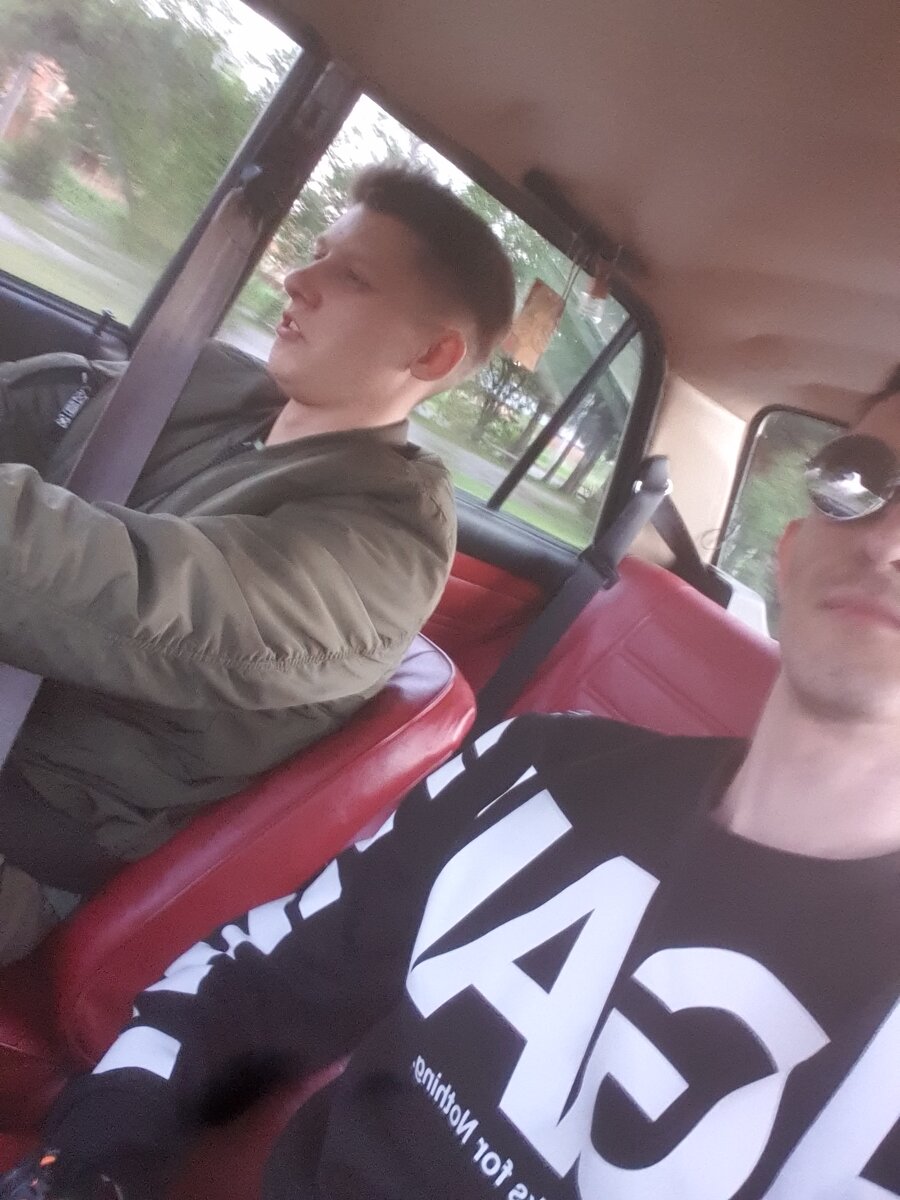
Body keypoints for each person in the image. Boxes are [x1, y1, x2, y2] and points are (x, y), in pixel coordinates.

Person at [5, 373, 900, 1200]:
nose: (890, 540)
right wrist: (87, 1164)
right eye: (862, 480)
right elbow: (247, 981)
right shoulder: (536, 768)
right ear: (790, 552)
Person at [0, 163, 517, 964]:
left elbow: (127, 593)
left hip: (27, 827)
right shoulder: (221, 388)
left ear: (433, 352)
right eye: (315, 254)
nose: (296, 279)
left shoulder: (384, 549)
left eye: (351, 277)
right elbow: (55, 406)